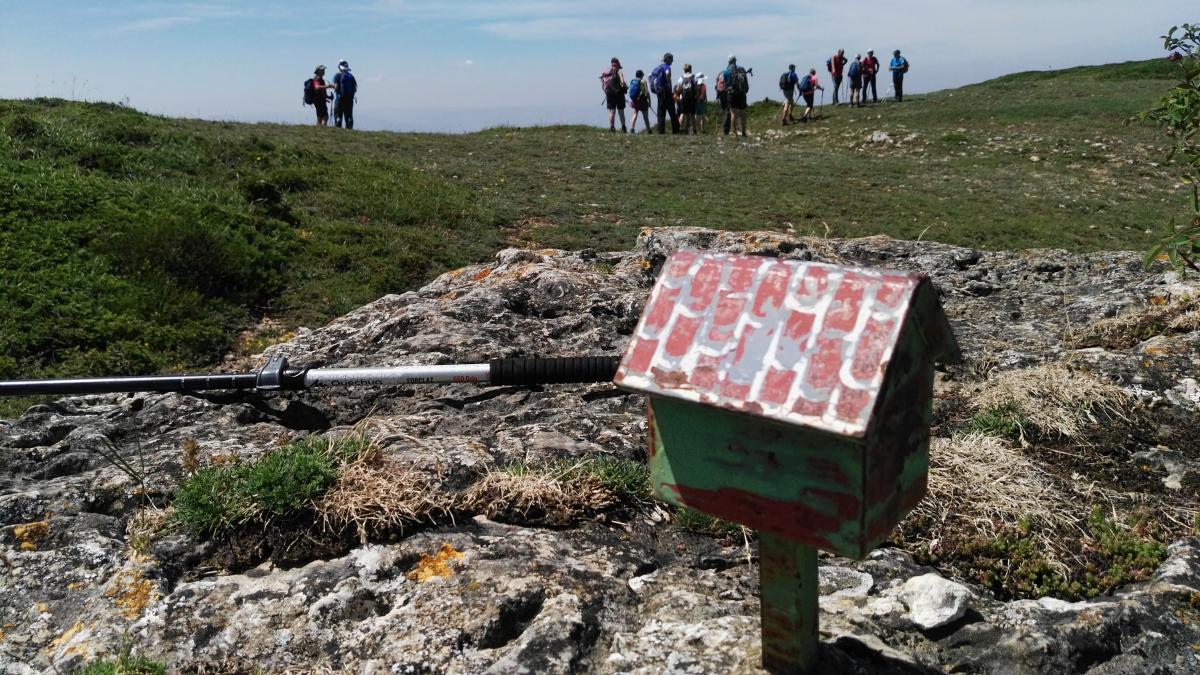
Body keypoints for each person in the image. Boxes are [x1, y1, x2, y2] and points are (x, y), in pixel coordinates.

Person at [650, 53, 679, 134]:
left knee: (661, 111)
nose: (672, 61)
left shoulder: (657, 68)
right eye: (671, 59)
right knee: (672, 111)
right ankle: (676, 130)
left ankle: (660, 130)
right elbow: (667, 73)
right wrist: (667, 79)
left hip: (659, 92)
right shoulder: (667, 66)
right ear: (668, 59)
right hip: (666, 91)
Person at [724, 55, 750, 136]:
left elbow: (725, 83)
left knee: (733, 113)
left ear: (728, 62)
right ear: (735, 60)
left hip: (731, 94)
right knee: (743, 113)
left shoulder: (726, 71)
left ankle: (735, 132)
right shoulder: (742, 69)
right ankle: (744, 132)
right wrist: (745, 91)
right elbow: (746, 82)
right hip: (741, 93)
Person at [601, 57, 628, 132]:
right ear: (618, 65)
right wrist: (625, 86)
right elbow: (622, 83)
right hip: (619, 93)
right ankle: (623, 127)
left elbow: (604, 84)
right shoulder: (619, 72)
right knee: (621, 111)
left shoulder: (607, 71)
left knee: (611, 111)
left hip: (609, 93)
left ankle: (612, 127)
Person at [332, 60, 357, 129]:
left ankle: (338, 131)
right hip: (349, 99)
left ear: (339, 67)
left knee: (338, 116)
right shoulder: (351, 76)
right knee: (349, 116)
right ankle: (349, 130)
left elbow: (335, 86)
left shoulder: (337, 75)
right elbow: (355, 89)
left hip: (339, 99)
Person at [676, 64, 698, 135]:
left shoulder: (681, 78)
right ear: (690, 69)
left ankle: (682, 128)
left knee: (684, 114)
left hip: (684, 98)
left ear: (684, 70)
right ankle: (694, 130)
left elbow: (678, 89)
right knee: (692, 114)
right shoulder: (693, 77)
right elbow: (696, 88)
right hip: (692, 99)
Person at [628, 69, 652, 133]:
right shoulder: (643, 81)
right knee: (645, 117)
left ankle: (632, 128)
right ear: (641, 75)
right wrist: (649, 101)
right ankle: (649, 130)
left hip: (635, 100)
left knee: (635, 114)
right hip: (643, 101)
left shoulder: (632, 81)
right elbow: (647, 92)